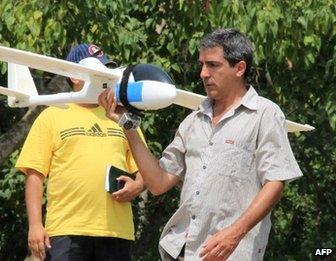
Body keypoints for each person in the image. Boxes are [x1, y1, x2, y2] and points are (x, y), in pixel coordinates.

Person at [99, 28, 303, 261]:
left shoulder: (264, 114)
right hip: (180, 250)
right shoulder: (193, 121)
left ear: (239, 68)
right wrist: (128, 125)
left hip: (229, 254)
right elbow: (158, 183)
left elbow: (275, 183)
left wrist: (234, 234)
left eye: (213, 65)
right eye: (202, 64)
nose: (203, 73)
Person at [16, 43, 146, 260]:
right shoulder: (52, 116)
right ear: (75, 76)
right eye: (97, 72)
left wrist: (138, 185)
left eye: (107, 70)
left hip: (116, 231)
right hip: (66, 229)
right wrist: (35, 225)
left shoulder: (122, 116)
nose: (105, 77)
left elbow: (145, 165)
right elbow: (34, 175)